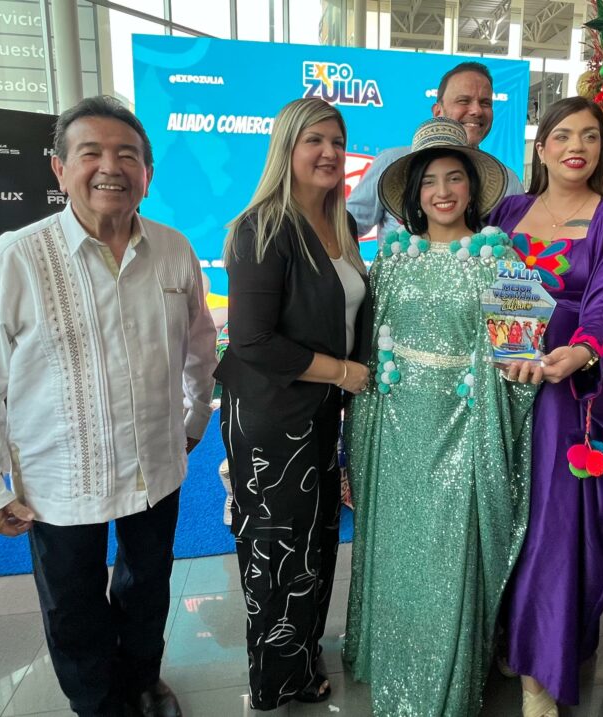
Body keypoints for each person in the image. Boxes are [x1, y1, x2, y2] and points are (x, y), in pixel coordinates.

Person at [0, 95, 217, 717]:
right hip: (62, 474)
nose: (110, 167)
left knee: (147, 584)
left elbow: (200, 346)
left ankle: (144, 680)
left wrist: (195, 416)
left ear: (147, 172)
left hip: (157, 463)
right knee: (72, 602)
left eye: (127, 155)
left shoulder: (173, 250)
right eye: (91, 153)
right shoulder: (19, 256)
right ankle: (99, 704)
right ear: (59, 168)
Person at [343, 117, 537, 716]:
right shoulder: (392, 257)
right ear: (414, 193)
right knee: (399, 549)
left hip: (466, 427)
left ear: (472, 188)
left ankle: (447, 677)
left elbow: (523, 362)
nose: (443, 191)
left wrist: (494, 400)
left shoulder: (501, 256)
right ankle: (393, 655)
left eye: (455, 178)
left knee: (451, 554)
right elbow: (371, 350)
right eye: (429, 181)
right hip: (396, 428)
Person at [490, 96, 603, 717]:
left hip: (569, 391)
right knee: (500, 515)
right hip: (500, 383)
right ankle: (508, 636)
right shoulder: (508, 211)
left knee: (550, 528)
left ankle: (539, 674)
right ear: (541, 147)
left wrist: (579, 351)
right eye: (561, 135)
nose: (575, 147)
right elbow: (483, 281)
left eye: (589, 136)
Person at [214, 97, 371, 711]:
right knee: (278, 548)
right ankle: (278, 679)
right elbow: (252, 340)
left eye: (337, 141)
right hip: (270, 415)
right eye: (314, 141)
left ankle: (302, 652)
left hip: (320, 411)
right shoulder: (263, 227)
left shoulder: (342, 221)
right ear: (286, 148)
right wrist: (344, 373)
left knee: (317, 542)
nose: (329, 152)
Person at [347, 61, 524, 241]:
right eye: (463, 101)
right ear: (438, 111)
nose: (477, 110)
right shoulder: (391, 163)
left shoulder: (508, 183)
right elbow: (345, 228)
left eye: (485, 103)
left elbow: (520, 248)